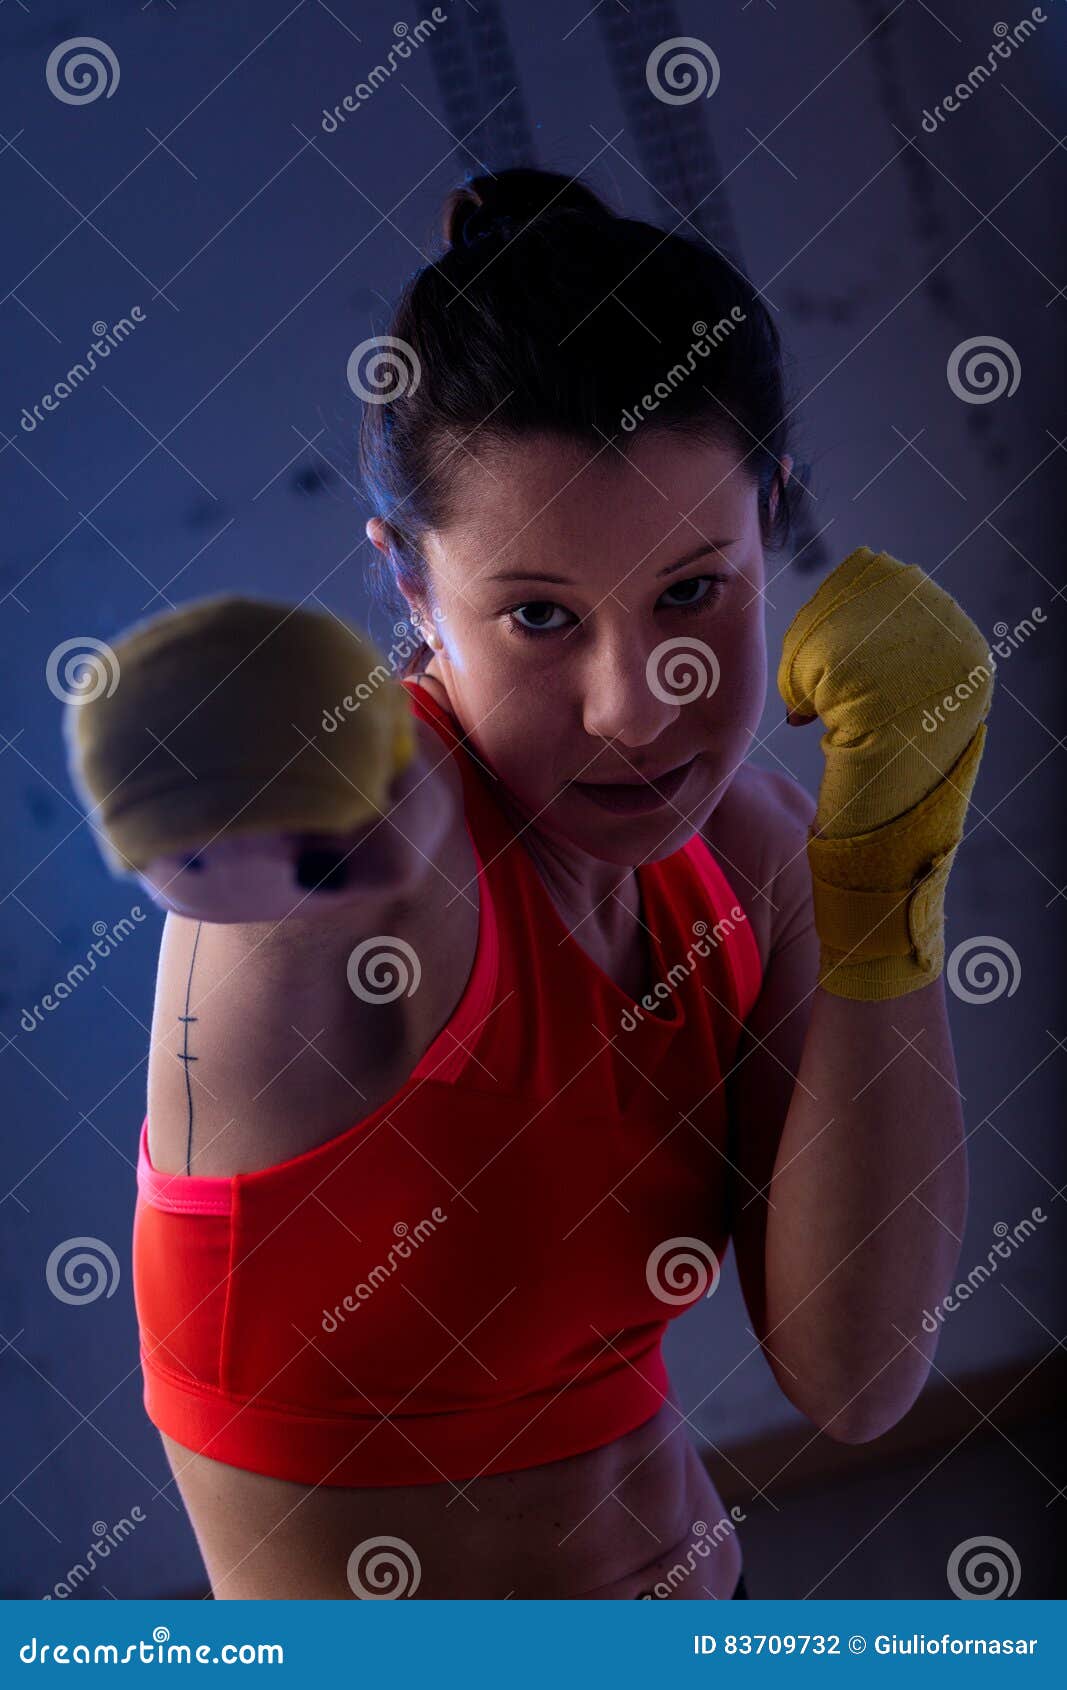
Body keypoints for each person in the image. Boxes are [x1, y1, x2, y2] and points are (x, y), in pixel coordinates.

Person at [64, 168, 992, 1600]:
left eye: (695, 592)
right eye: (540, 615)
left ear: (775, 525)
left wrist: (890, 865)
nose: (636, 704)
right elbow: (277, 837)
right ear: (412, 591)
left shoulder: (754, 852)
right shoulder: (394, 845)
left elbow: (861, 1375)